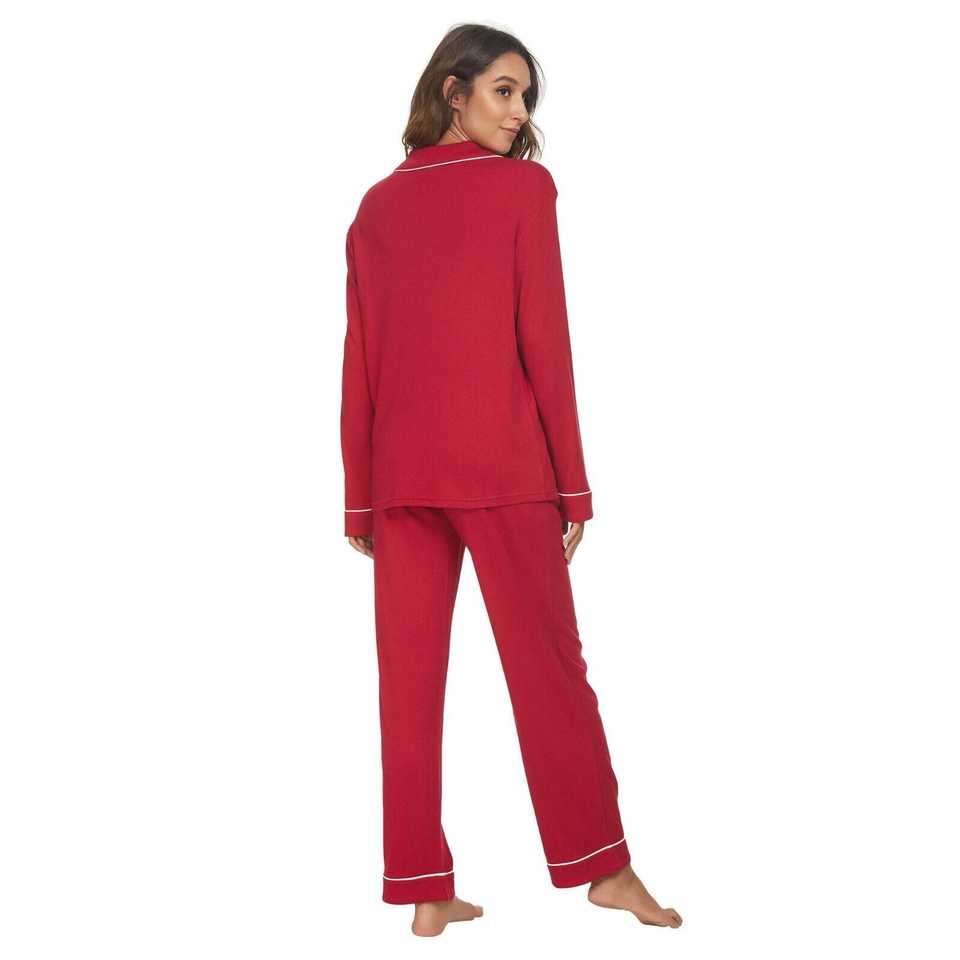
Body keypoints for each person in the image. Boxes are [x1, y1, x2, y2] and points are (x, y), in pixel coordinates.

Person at [340, 23, 683, 938]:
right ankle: (604, 869)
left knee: (407, 688)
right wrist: (574, 486)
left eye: (526, 96)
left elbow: (359, 359)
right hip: (503, 469)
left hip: (400, 477)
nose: (520, 112)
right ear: (451, 93)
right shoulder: (525, 189)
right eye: (504, 90)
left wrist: (358, 493)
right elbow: (546, 341)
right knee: (551, 676)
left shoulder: (374, 207)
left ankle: (424, 890)